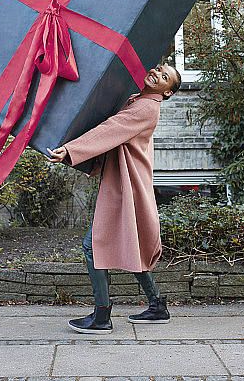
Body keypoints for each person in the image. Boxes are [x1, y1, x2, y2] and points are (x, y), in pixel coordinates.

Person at [47, 64, 181, 334]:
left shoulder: (145, 107)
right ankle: (157, 306)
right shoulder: (139, 100)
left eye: (164, 77)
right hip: (128, 182)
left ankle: (101, 317)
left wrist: (72, 151)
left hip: (129, 185)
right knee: (134, 244)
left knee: (92, 246)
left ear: (167, 92)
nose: (156, 73)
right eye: (158, 69)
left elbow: (112, 128)